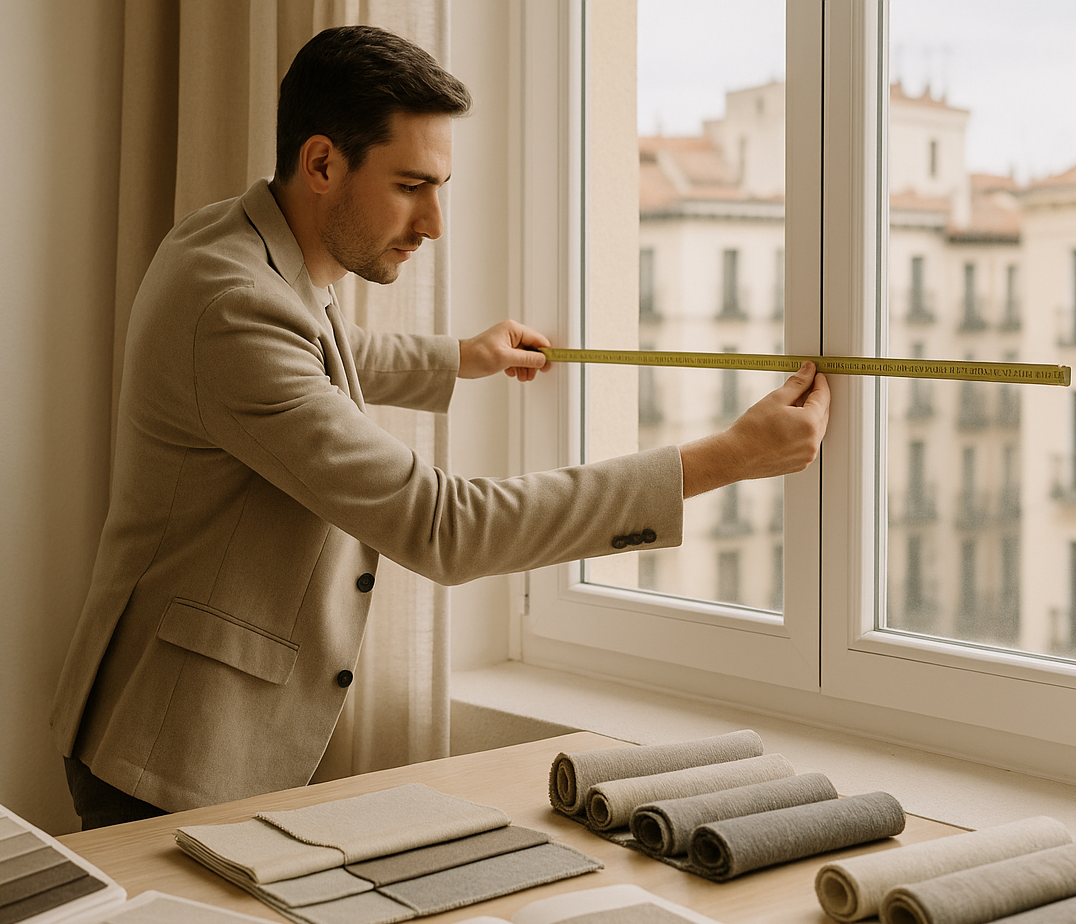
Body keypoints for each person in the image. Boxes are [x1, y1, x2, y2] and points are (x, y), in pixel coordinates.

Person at [51, 24, 830, 829]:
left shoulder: (236, 242)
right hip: (169, 748)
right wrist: (724, 460)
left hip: (185, 719)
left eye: (440, 187)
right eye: (411, 185)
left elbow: (324, 351)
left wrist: (460, 356)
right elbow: (442, 526)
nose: (434, 223)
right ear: (322, 163)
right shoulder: (232, 308)